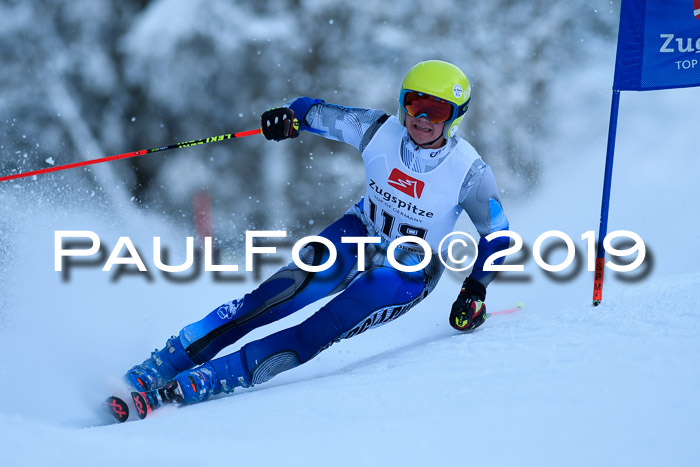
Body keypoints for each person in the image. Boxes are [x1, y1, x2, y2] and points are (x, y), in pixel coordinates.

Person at [124, 60, 510, 407]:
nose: (422, 118)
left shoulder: (469, 172)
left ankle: (207, 381)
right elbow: (311, 110)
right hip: (360, 232)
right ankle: (160, 366)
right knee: (271, 299)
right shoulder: (378, 130)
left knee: (321, 327)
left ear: (454, 117)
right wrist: (289, 118)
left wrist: (473, 289)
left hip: (411, 267)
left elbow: (496, 234)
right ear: (402, 104)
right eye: (414, 104)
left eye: (437, 110)